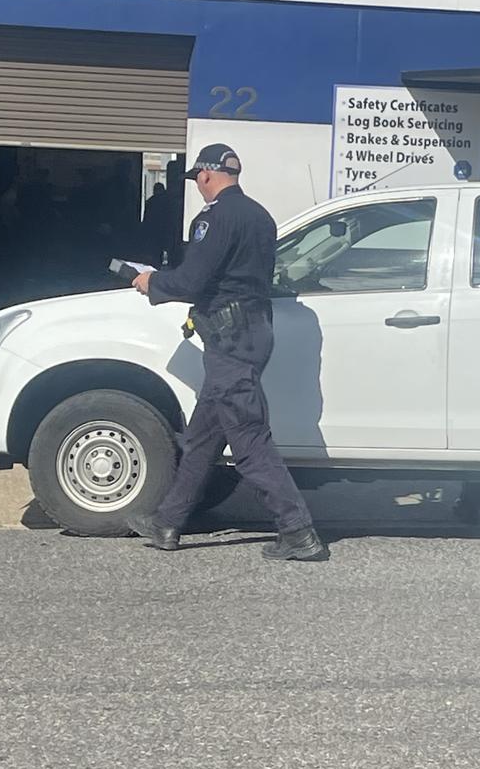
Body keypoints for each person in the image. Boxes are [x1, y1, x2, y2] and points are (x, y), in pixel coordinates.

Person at [120, 142, 329, 562]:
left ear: (207, 175)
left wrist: (151, 283)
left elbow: (194, 280)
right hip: (252, 332)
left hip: (229, 339)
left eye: (198, 178)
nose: (198, 186)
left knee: (248, 438)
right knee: (204, 437)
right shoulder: (260, 216)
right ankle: (167, 522)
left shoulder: (214, 218)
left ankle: (297, 530)